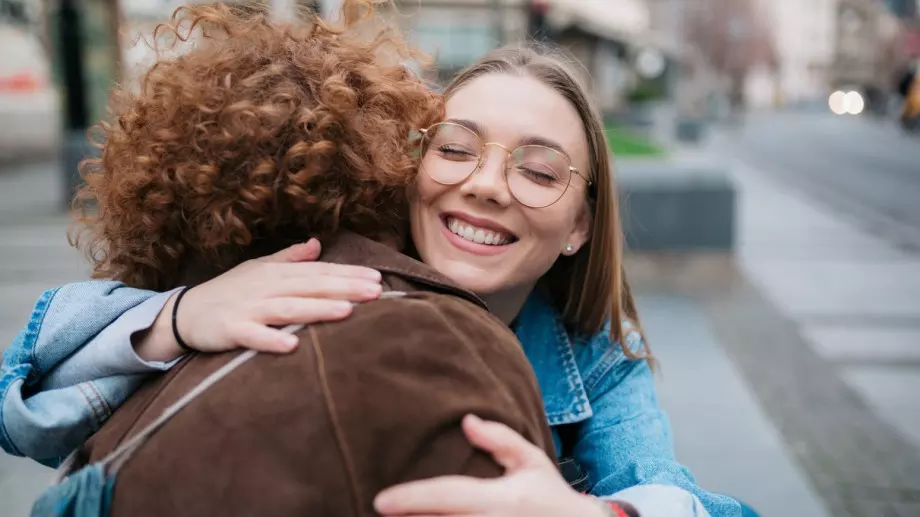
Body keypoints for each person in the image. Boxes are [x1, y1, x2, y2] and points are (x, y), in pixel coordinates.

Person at [1, 1, 742, 515]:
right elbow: (22, 405)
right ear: (409, 164)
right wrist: (179, 316)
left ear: (580, 223)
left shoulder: (600, 362)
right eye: (455, 149)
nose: (485, 185)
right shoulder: (309, 260)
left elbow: (692, 498)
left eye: (540, 171)